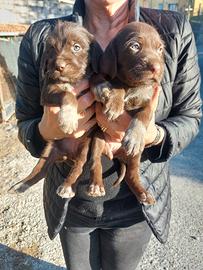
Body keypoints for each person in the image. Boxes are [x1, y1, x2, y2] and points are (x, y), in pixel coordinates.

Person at [16, 0, 202, 269]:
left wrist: (153, 134)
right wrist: (46, 130)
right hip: (73, 205)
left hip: (134, 211)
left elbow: (190, 116)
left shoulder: (172, 29)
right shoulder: (42, 35)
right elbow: (25, 121)